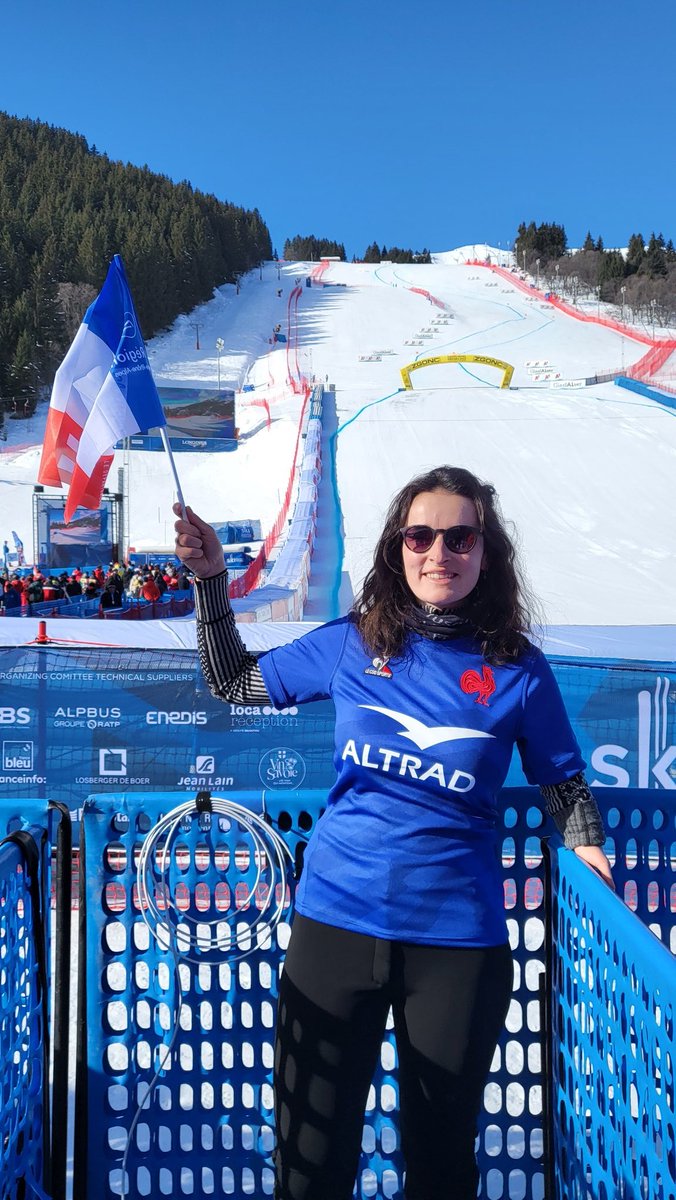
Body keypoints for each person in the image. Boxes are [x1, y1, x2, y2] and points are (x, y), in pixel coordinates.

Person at [173, 465, 614, 1200]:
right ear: (397, 547)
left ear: (485, 552)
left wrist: (590, 851)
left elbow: (562, 782)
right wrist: (211, 581)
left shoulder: (516, 667)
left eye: (460, 536)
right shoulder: (354, 642)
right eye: (420, 535)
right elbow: (233, 682)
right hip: (333, 931)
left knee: (440, 1165)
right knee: (310, 1161)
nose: (439, 552)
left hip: (457, 950)